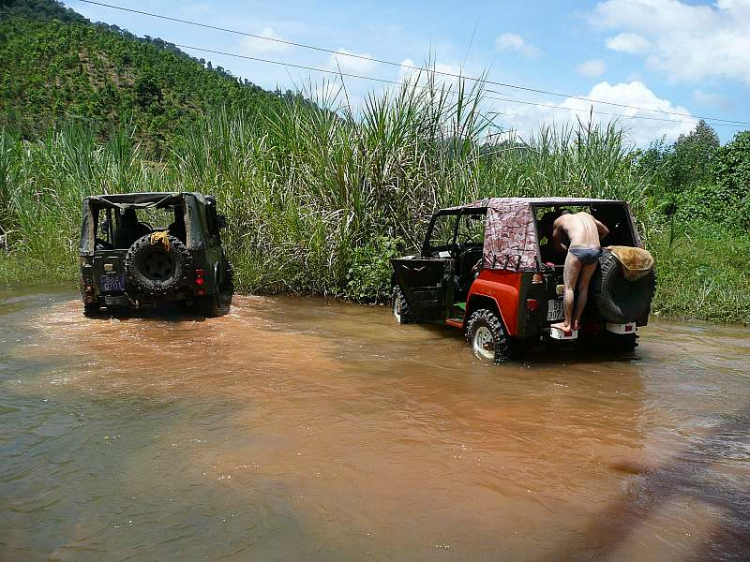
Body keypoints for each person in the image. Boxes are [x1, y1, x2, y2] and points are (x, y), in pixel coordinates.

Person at [550, 209, 609, 333]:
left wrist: (567, 251)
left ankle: (566, 324)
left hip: (577, 249)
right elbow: (605, 231)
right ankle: (576, 322)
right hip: (595, 250)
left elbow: (555, 245)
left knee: (569, 288)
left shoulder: (560, 220)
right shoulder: (587, 216)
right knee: (583, 287)